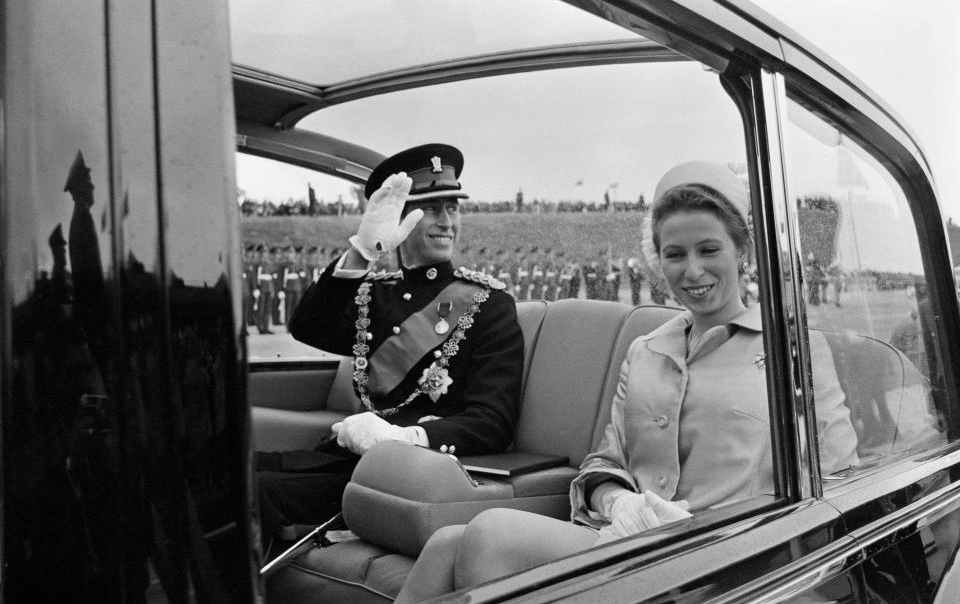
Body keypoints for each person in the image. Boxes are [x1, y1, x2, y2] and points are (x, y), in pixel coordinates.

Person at [394, 161, 858, 603]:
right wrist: (616, 501)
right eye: (674, 254)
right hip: (634, 544)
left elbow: (840, 478)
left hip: (729, 559)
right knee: (446, 544)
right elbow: (604, 461)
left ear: (743, 252)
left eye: (709, 250)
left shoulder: (793, 349)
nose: (691, 271)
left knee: (492, 533)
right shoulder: (646, 350)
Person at [257, 143, 524, 550]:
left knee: (251, 495)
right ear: (399, 218)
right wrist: (361, 252)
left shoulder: (488, 305)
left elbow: (493, 422)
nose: (447, 221)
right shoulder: (374, 296)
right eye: (432, 209)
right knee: (223, 473)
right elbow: (306, 326)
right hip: (351, 462)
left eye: (452, 208)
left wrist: (400, 438)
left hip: (411, 475)